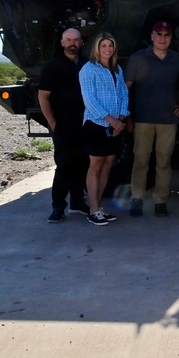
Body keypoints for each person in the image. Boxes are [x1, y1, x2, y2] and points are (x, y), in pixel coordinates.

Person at [125, 21, 179, 218]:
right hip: (143, 118)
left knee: (164, 162)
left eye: (167, 34)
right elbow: (127, 89)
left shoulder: (177, 59)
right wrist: (128, 116)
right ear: (152, 36)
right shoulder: (138, 58)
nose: (163, 38)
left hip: (168, 119)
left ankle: (160, 200)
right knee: (140, 160)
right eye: (159, 34)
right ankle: (137, 198)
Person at [38, 28, 89, 223]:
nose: (72, 43)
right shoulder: (52, 67)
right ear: (62, 42)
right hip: (63, 122)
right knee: (64, 165)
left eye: (75, 40)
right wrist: (53, 123)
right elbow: (43, 97)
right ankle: (58, 206)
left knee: (82, 163)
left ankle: (77, 201)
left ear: (81, 42)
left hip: (85, 121)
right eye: (68, 40)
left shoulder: (87, 65)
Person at [78, 32, 129, 226]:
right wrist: (111, 121)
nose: (107, 49)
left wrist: (121, 118)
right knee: (96, 166)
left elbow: (123, 93)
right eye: (103, 46)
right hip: (96, 125)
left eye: (110, 45)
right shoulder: (88, 69)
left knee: (108, 165)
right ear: (97, 49)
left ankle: (98, 207)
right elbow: (89, 100)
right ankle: (92, 209)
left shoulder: (116, 69)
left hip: (115, 125)